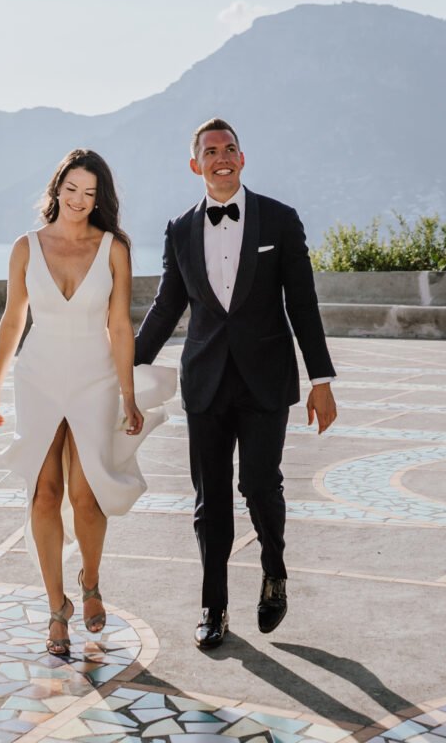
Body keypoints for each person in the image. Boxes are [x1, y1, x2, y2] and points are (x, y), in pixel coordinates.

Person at [135, 118, 337, 649]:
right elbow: (166, 308)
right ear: (195, 164)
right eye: (210, 151)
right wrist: (127, 368)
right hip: (205, 382)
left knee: (260, 485)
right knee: (210, 499)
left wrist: (320, 378)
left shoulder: (280, 219)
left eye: (229, 149)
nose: (221, 158)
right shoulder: (180, 229)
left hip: (265, 379)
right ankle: (214, 606)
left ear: (242, 159)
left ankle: (274, 571)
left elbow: (303, 304)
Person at [0, 148, 175, 656]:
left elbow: (119, 325)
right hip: (38, 378)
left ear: (99, 199)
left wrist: (128, 393)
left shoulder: (113, 248)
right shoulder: (26, 247)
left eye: (90, 193)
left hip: (95, 379)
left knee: (87, 494)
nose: (78, 200)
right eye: (71, 189)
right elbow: (13, 318)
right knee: (44, 494)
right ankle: (56, 607)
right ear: (57, 188)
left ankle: (90, 580)